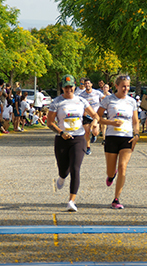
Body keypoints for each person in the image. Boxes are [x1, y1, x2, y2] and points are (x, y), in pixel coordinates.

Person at [47, 74, 100, 212]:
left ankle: (71, 201)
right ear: (62, 88)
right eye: (66, 87)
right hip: (62, 139)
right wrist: (61, 132)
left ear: (75, 86)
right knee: (64, 170)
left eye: (71, 87)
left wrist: (94, 123)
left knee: (75, 168)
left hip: (78, 138)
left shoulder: (81, 100)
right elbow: (50, 122)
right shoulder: (56, 102)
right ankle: (62, 177)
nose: (68, 89)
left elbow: (95, 115)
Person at [97, 75, 140, 209]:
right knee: (110, 171)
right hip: (112, 137)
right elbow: (98, 117)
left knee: (123, 167)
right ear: (116, 86)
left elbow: (135, 120)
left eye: (128, 86)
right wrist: (111, 122)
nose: (126, 89)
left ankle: (116, 199)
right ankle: (111, 175)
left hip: (127, 137)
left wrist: (137, 134)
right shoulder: (108, 100)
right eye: (123, 86)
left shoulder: (132, 101)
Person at [80, 79, 104, 155]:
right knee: (86, 132)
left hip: (95, 116)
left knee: (96, 132)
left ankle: (94, 135)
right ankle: (88, 148)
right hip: (86, 116)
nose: (87, 85)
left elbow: (105, 99)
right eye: (85, 84)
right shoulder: (82, 95)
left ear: (91, 84)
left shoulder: (97, 93)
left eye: (88, 83)